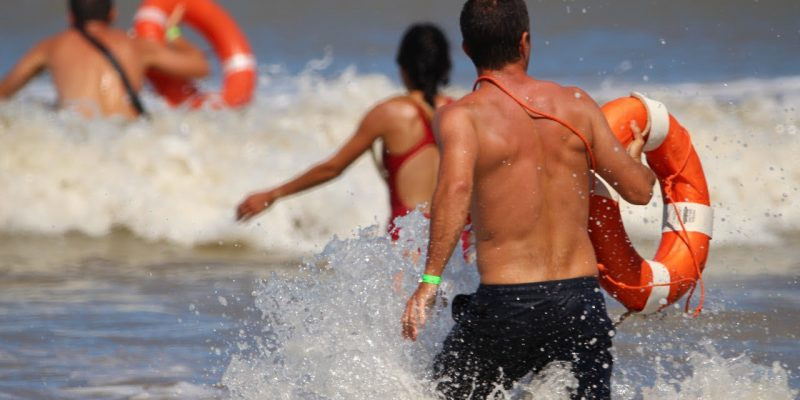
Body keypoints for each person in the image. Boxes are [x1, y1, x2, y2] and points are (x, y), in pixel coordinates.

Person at [400, 1, 657, 398]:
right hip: (581, 303)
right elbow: (639, 191)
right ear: (525, 42)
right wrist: (635, 159)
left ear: (467, 49)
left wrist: (429, 281)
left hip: (509, 304)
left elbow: (455, 190)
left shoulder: (462, 117)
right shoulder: (576, 103)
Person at [237, 24, 454, 240]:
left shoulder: (388, 113)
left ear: (403, 66)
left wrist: (273, 194)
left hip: (410, 240)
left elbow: (333, 168)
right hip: (455, 238)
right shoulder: (459, 112)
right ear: (444, 66)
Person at [0, 0, 209, 119]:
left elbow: (4, 93)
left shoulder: (50, 47)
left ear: (70, 17)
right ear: (113, 14)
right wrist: (173, 33)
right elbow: (200, 66)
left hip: (78, 138)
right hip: (127, 138)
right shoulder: (137, 46)